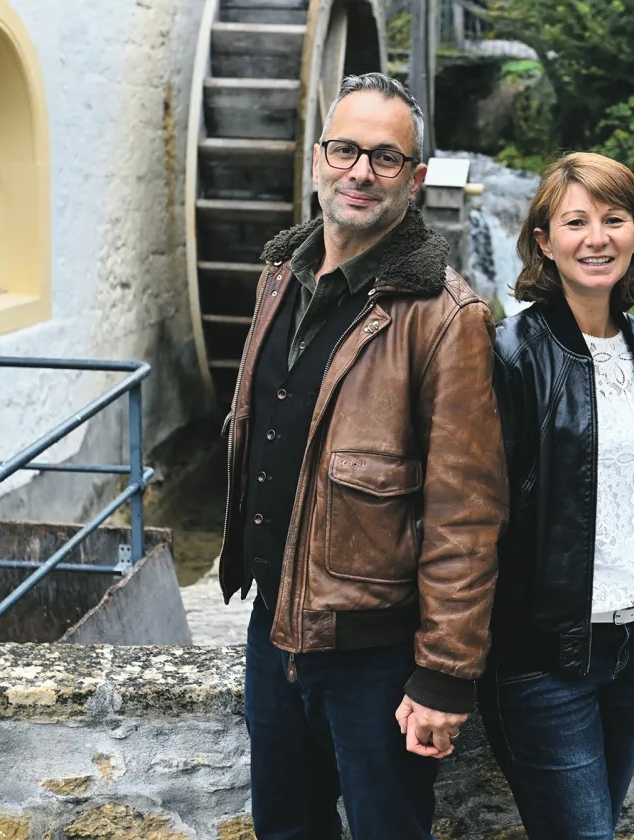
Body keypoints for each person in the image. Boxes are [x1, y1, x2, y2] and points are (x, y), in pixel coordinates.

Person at [214, 72, 508, 839]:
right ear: (318, 158)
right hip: (273, 631)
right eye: (345, 149)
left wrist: (444, 675)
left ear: (414, 178)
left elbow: (467, 513)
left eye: (384, 157)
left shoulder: (446, 316)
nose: (359, 172)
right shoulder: (280, 276)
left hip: (375, 657)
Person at [480, 151, 634, 839]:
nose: (596, 237)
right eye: (575, 222)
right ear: (544, 241)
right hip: (544, 661)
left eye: (614, 218)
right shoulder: (509, 353)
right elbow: (474, 518)